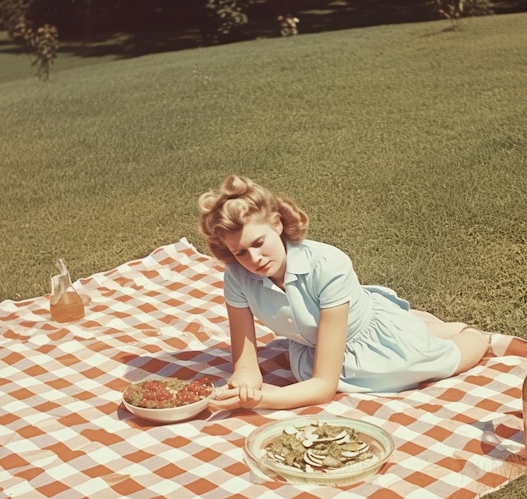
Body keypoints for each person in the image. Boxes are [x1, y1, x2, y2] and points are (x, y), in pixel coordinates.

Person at [198, 175, 489, 412]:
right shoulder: (236, 275)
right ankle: (423, 324)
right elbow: (246, 365)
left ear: (276, 223)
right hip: (313, 344)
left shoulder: (328, 264)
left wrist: (262, 400)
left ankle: (479, 337)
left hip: (369, 338)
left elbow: (324, 387)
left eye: (259, 242)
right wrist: (242, 384)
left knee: (424, 365)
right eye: (240, 252)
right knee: (412, 334)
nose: (254, 258)